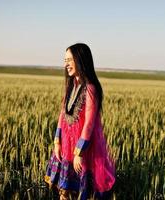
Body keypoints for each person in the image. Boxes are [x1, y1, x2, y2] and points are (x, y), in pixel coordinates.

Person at [44, 43, 116, 199]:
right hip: (65, 145)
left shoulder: (90, 88)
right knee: (63, 190)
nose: (66, 64)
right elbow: (62, 116)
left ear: (80, 60)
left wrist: (79, 152)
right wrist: (57, 142)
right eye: (65, 60)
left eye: (69, 60)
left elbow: (89, 123)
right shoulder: (71, 86)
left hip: (82, 149)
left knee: (80, 190)